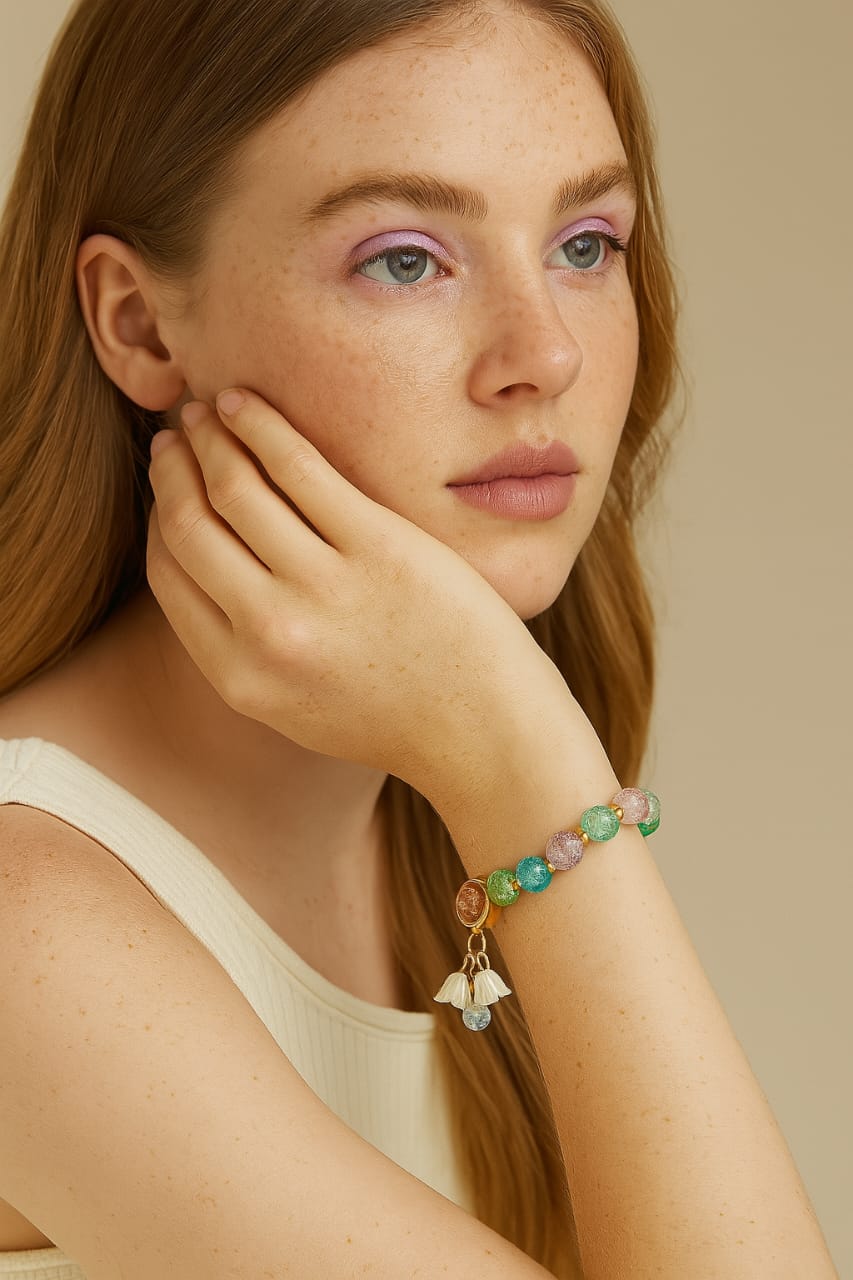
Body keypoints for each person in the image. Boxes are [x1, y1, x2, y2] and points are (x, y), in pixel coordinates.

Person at [0, 0, 838, 1277]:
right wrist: (524, 758)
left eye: (583, 242)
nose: (544, 352)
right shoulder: (30, 931)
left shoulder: (422, 832)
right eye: (405, 258)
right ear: (139, 324)